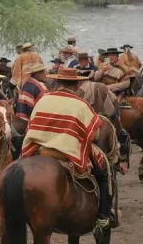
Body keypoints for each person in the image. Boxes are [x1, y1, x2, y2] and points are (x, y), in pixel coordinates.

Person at [21, 67, 111, 230]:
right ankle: (104, 217)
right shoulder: (81, 104)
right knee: (104, 172)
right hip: (67, 154)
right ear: (76, 85)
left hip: (41, 151)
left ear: (57, 82)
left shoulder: (43, 99)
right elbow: (95, 134)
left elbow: (31, 126)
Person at [13, 62, 50, 157]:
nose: (44, 73)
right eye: (42, 72)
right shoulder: (41, 87)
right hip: (34, 122)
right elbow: (47, 107)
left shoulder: (26, 84)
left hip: (21, 120)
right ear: (36, 74)